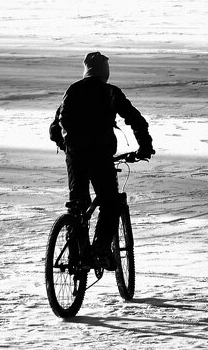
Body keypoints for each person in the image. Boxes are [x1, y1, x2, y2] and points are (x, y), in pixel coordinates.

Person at [49, 52, 154, 270]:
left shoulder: (73, 90)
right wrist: (145, 147)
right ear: (105, 72)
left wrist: (68, 147)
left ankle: (76, 256)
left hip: (75, 156)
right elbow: (135, 120)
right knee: (110, 202)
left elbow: (54, 129)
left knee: (78, 205)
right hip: (100, 155)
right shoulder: (110, 92)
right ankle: (101, 249)